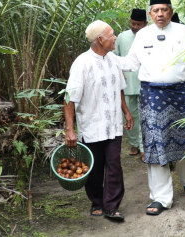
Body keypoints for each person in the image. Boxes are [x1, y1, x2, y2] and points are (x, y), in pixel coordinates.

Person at [117, 0, 185, 216]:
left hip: (182, 94)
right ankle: (160, 198)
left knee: (184, 139)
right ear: (150, 13)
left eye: (164, 9)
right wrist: (105, 56)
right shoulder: (143, 35)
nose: (160, 14)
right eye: (156, 10)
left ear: (171, 11)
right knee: (156, 145)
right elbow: (130, 63)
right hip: (153, 95)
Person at [63, 20, 134, 222]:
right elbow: (69, 98)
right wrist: (70, 129)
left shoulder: (113, 59)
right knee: (94, 167)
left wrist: (126, 112)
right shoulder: (82, 63)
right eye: (112, 35)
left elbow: (118, 87)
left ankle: (112, 206)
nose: (115, 38)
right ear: (100, 39)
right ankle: (96, 201)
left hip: (113, 124)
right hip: (92, 125)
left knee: (114, 165)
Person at [114, 9, 148, 161]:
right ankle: (134, 143)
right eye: (133, 23)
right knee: (129, 115)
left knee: (144, 116)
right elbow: (115, 57)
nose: (135, 27)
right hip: (126, 84)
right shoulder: (122, 37)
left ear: (145, 24)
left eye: (138, 24)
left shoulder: (150, 36)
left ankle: (143, 147)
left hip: (145, 83)